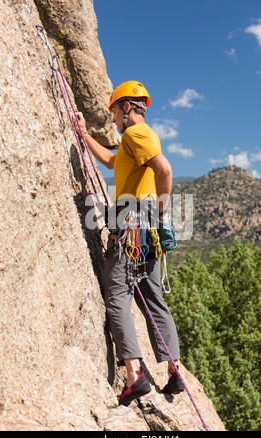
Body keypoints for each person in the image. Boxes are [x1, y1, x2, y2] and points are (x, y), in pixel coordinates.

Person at [74, 81, 184, 406]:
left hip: (132, 219)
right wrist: (83, 135)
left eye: (113, 112)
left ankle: (134, 376)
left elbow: (164, 168)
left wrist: (160, 211)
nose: (112, 120)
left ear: (125, 107)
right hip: (146, 227)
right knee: (152, 298)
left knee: (117, 291)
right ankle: (173, 370)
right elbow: (110, 162)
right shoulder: (134, 142)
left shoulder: (137, 134)